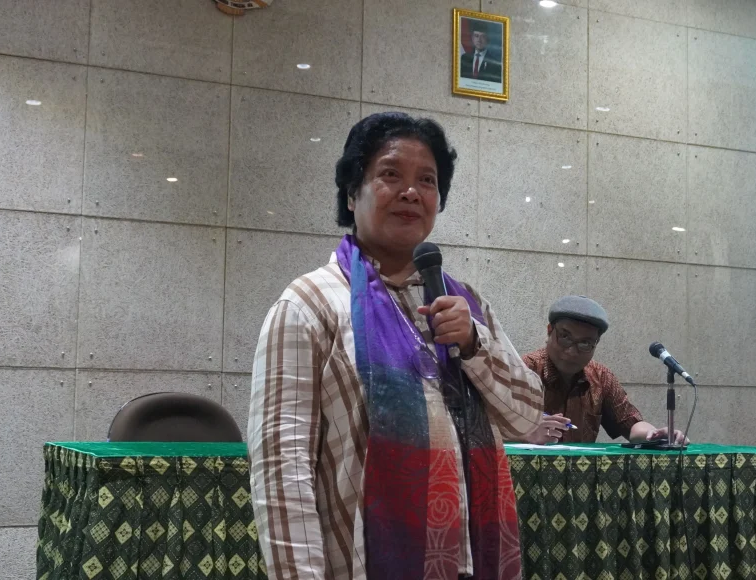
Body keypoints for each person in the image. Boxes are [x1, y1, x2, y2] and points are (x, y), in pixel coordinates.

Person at [247, 112, 544, 580]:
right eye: (390, 174)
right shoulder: (309, 305)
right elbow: (282, 471)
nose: (411, 192)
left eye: (427, 180)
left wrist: (473, 343)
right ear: (352, 193)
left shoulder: (467, 304)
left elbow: (528, 418)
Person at [517, 295, 689, 445]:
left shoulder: (601, 377)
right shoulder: (521, 370)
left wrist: (657, 435)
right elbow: (499, 430)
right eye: (565, 337)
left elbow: (631, 424)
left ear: (596, 343)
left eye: (585, 343)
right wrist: (524, 433)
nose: (571, 351)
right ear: (549, 331)